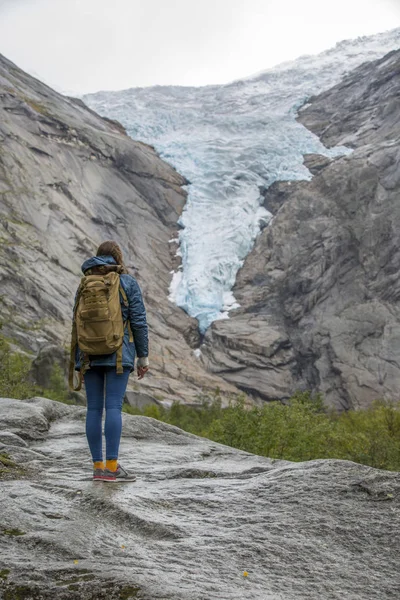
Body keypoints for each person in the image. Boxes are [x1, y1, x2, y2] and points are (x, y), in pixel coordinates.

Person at [72, 241, 149, 482]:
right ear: (118, 258)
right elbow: (138, 322)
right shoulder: (127, 283)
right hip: (119, 353)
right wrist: (142, 357)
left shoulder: (85, 283)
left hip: (89, 355)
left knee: (94, 409)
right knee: (113, 407)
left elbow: (76, 325)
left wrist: (78, 363)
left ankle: (97, 468)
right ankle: (112, 467)